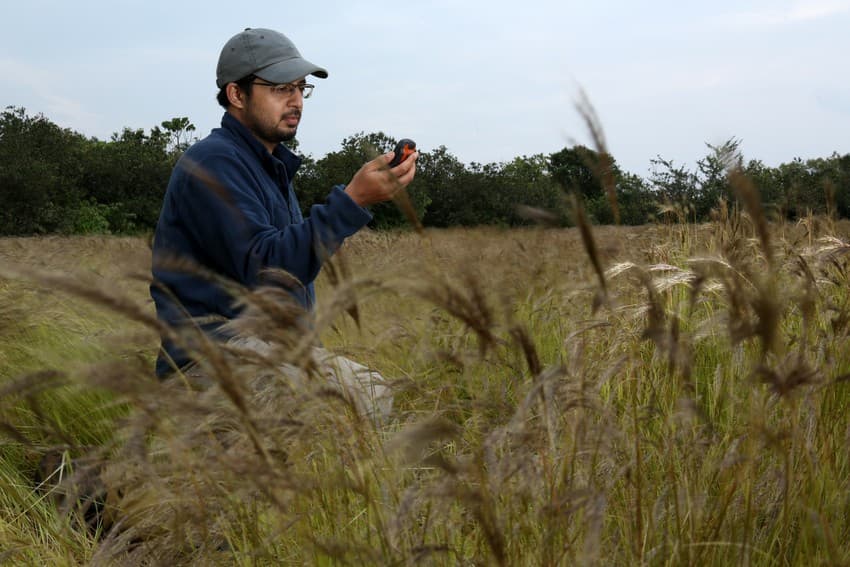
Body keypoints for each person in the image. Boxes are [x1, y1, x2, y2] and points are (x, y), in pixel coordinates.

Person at [150, 28, 416, 418]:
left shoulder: (269, 166)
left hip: (268, 349)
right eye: (279, 88)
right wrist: (353, 200)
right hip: (211, 358)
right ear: (236, 95)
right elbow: (268, 268)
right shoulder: (213, 163)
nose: (295, 101)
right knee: (345, 408)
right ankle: (125, 472)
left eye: (299, 88)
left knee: (374, 393)